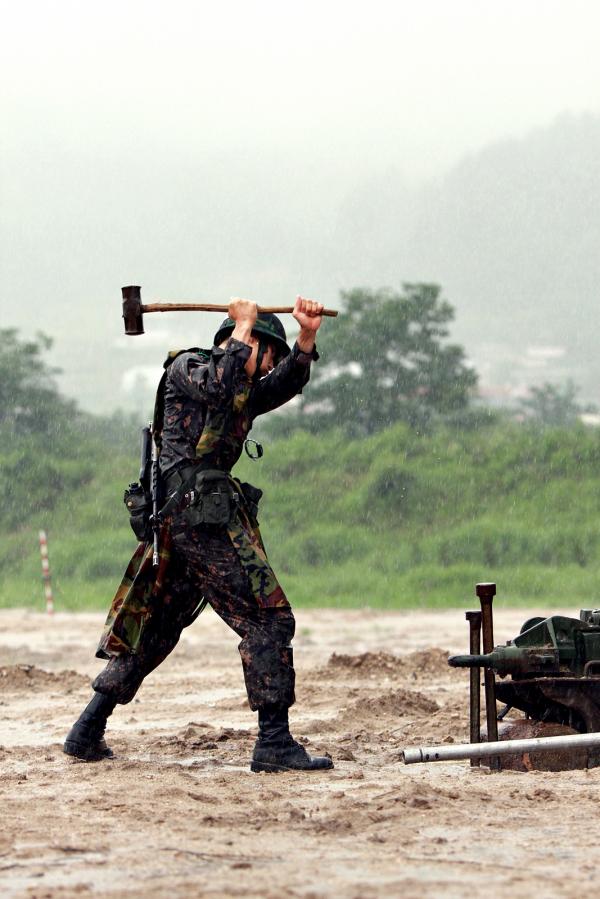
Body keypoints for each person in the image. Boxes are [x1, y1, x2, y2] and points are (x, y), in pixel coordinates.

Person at [64, 296, 333, 773]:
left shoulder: (241, 386)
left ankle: (87, 730)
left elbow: (284, 382)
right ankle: (274, 742)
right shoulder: (191, 369)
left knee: (155, 628)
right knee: (270, 621)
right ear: (247, 344)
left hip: (188, 527)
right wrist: (244, 326)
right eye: (266, 355)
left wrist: (306, 338)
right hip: (195, 523)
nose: (265, 368)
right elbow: (221, 381)